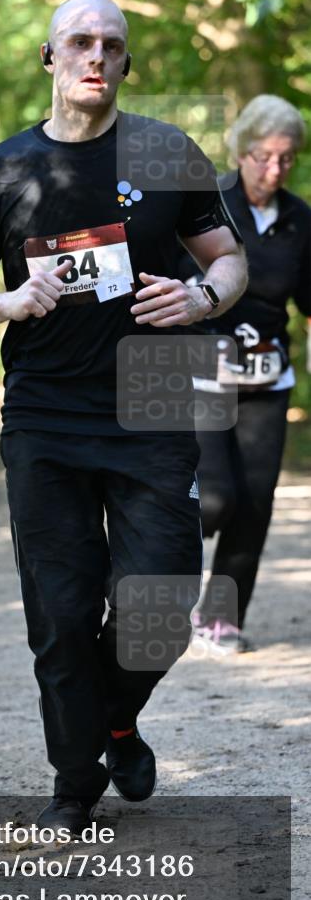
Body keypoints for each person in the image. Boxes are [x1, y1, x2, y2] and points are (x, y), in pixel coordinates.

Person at [0, 0, 247, 835]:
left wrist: (201, 294)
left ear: (125, 63)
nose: (95, 55)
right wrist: (1, 306)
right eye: (79, 41)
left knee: (160, 601)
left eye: (110, 43)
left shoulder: (165, 150)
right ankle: (73, 785)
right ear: (49, 57)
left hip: (152, 405)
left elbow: (227, 258)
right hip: (43, 418)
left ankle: (114, 720)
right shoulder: (1, 171)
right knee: (62, 613)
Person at [180, 96, 310, 654]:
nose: (274, 169)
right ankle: (152, 563)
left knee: (256, 501)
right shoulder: (208, 203)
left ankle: (219, 617)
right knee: (214, 500)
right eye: (263, 156)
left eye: (286, 159)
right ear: (241, 151)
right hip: (203, 371)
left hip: (267, 378)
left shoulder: (301, 220)